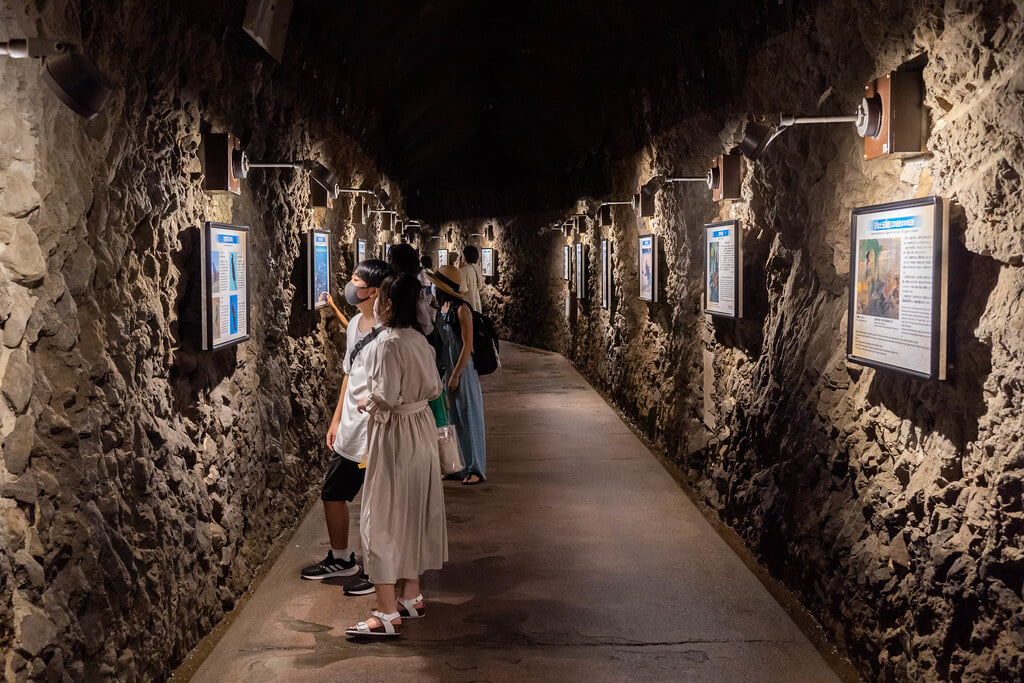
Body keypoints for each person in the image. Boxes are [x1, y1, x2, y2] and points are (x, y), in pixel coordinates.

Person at [345, 273, 448, 638]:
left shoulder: (388, 344)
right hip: (419, 430)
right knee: (413, 512)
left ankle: (387, 612)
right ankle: (411, 594)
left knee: (383, 517)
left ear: (386, 303)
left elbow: (385, 397)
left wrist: (363, 400)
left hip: (395, 436)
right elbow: (434, 387)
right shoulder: (420, 340)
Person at [301, 259, 391, 594]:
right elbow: (349, 373)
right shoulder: (355, 324)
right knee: (333, 493)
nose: (351, 284)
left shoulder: (389, 334)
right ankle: (341, 558)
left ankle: (378, 569)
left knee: (376, 503)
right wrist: (336, 418)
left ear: (375, 291)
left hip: (377, 430)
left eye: (357, 280)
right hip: (351, 429)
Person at [427, 265, 487, 485]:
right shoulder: (442, 308)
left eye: (435, 285)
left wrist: (456, 374)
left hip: (463, 369)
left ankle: (475, 467)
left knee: (469, 416)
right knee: (452, 419)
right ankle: (456, 464)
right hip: (448, 368)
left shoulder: (462, 310)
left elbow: (467, 344)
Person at [388, 243, 434, 336]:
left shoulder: (400, 284)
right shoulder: (415, 281)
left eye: (390, 259)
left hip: (402, 333)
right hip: (415, 334)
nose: (389, 262)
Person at [458, 245, 483, 312]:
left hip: (467, 304)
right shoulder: (477, 268)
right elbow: (480, 286)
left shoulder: (463, 271)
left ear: (465, 255)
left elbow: (462, 289)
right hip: (476, 301)